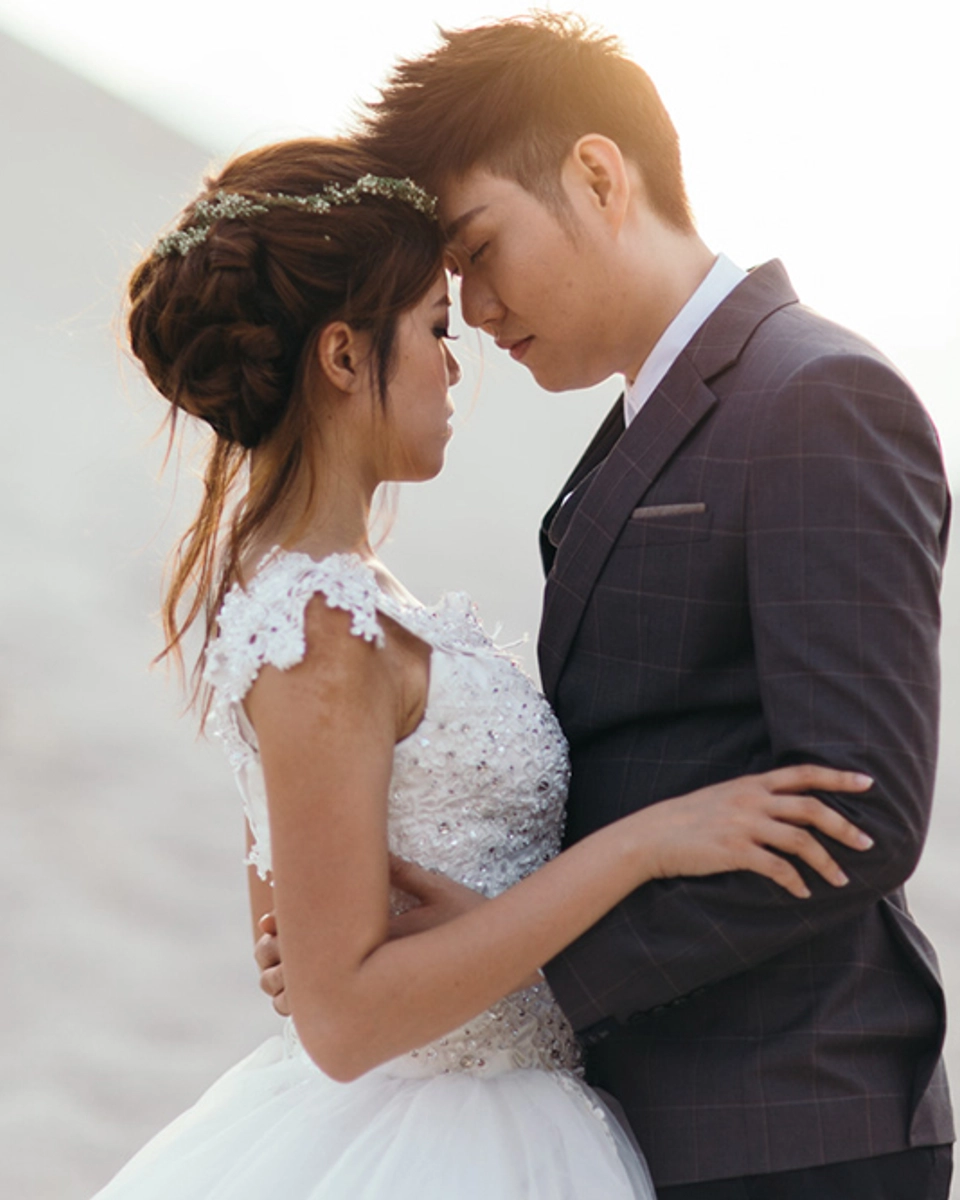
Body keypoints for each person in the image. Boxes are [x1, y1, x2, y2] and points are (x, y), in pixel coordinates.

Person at [91, 135, 877, 1200]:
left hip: (520, 1114)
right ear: (338, 358)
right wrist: (641, 848)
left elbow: (292, 945)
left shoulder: (333, 599)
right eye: (432, 327)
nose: (456, 360)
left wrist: (334, 956)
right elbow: (341, 1017)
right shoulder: (318, 626)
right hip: (443, 1147)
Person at [251, 14, 953, 1200]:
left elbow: (862, 817)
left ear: (595, 174)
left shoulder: (819, 396)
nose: (470, 308)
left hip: (796, 1126)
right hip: (632, 1119)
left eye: (477, 250)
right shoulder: (639, 427)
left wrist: (531, 968)